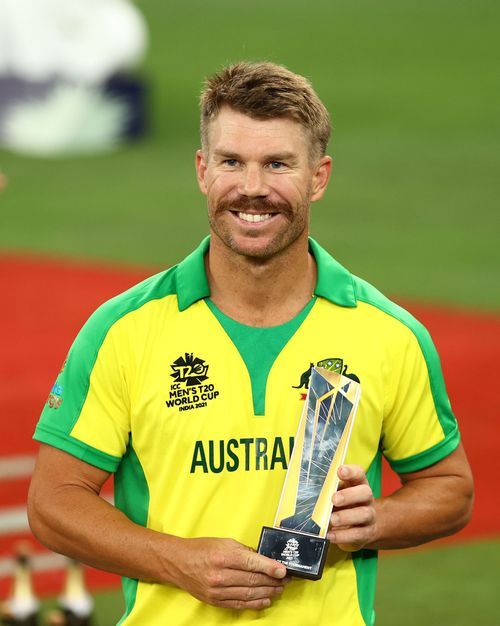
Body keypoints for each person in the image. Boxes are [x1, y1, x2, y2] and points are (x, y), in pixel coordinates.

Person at [28, 62, 474, 626]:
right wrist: (177, 561)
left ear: (319, 176)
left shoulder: (389, 333)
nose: (253, 188)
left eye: (278, 164)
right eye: (231, 161)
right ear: (201, 170)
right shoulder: (122, 330)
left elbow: (450, 488)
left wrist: (378, 521)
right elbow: (52, 504)